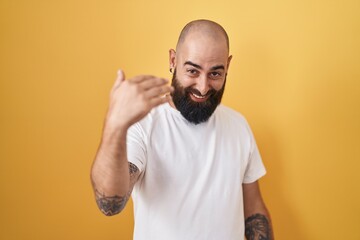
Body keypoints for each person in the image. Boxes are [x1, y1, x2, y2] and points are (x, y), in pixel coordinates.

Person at [90, 19, 274, 240]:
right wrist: (115, 125)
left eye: (215, 73)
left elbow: (253, 209)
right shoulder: (144, 123)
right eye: (193, 71)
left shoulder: (238, 125)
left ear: (228, 66)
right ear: (173, 60)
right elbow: (110, 202)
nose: (203, 87)